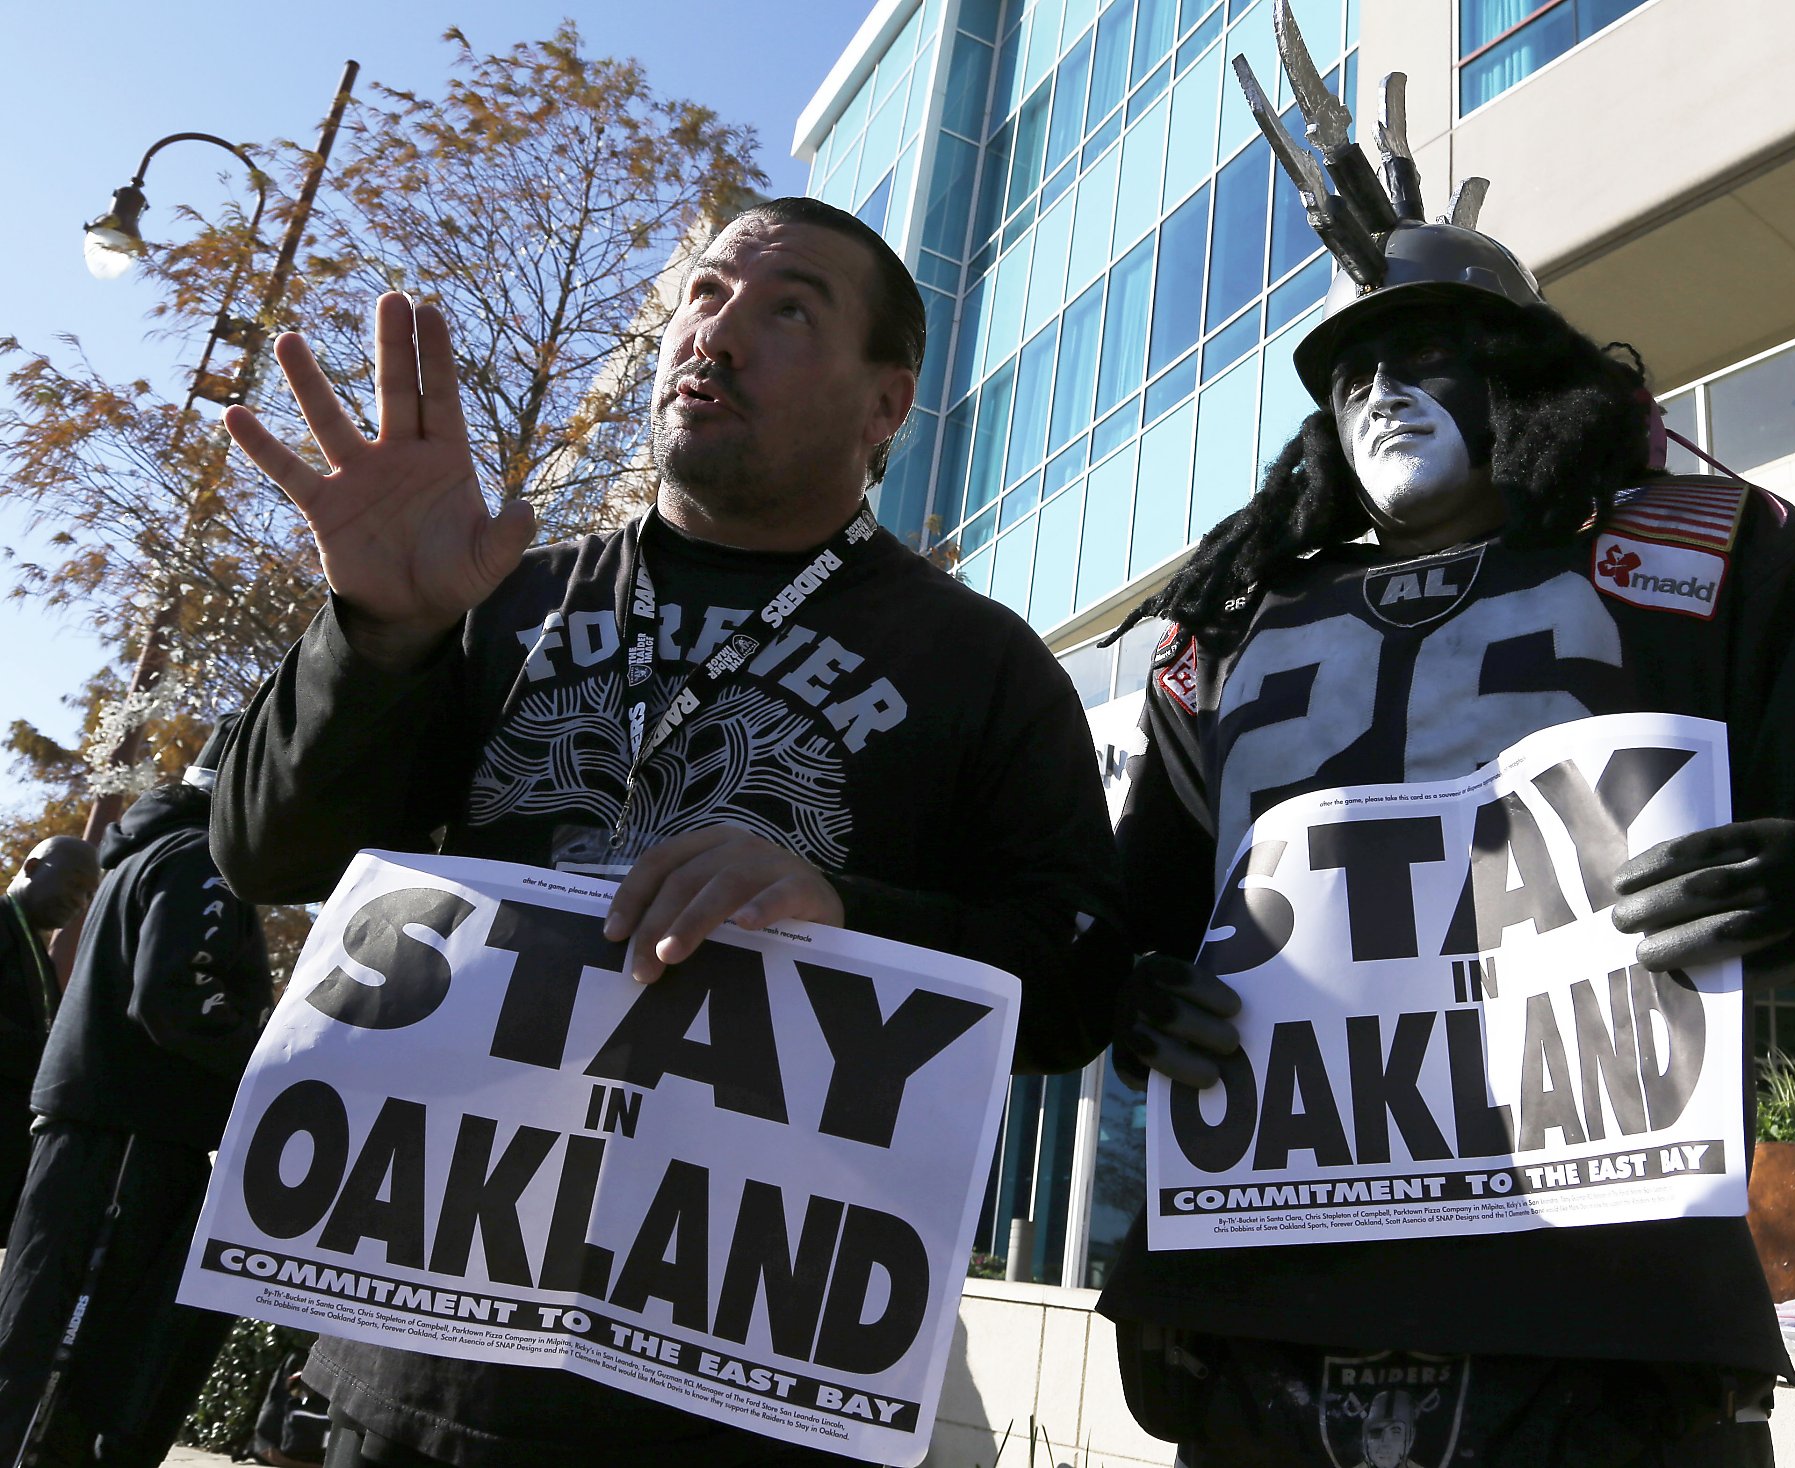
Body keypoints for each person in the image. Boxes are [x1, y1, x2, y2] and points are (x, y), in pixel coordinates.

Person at [1095, 13, 1795, 1466]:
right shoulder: (1231, 618)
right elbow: (1113, 934)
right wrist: (1133, 992)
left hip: (1603, 1321)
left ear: (1527, 373)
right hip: (1254, 1308)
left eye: (1426, 351)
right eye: (1350, 369)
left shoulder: (1727, 551)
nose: (1380, 388)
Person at [209, 195, 1119, 1465]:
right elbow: (267, 854)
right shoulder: (489, 594)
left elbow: (1075, 984)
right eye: (704, 294)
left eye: (788, 307)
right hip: (414, 1369)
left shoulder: (984, 667)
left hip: (736, 1393)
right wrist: (376, 638)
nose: (718, 330)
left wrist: (844, 910)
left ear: (885, 409)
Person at [0, 720, 272, 1465]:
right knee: (71, 1358)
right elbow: (173, 997)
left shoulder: (151, 855)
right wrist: (268, 1057)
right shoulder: (203, 858)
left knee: (38, 1342)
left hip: (107, 1132)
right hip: (129, 1138)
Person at [0, 835, 97, 1231]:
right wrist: (48, 1059)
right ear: (34, 867)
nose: (79, 901)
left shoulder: (28, 941)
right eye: (75, 884)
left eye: (88, 893)